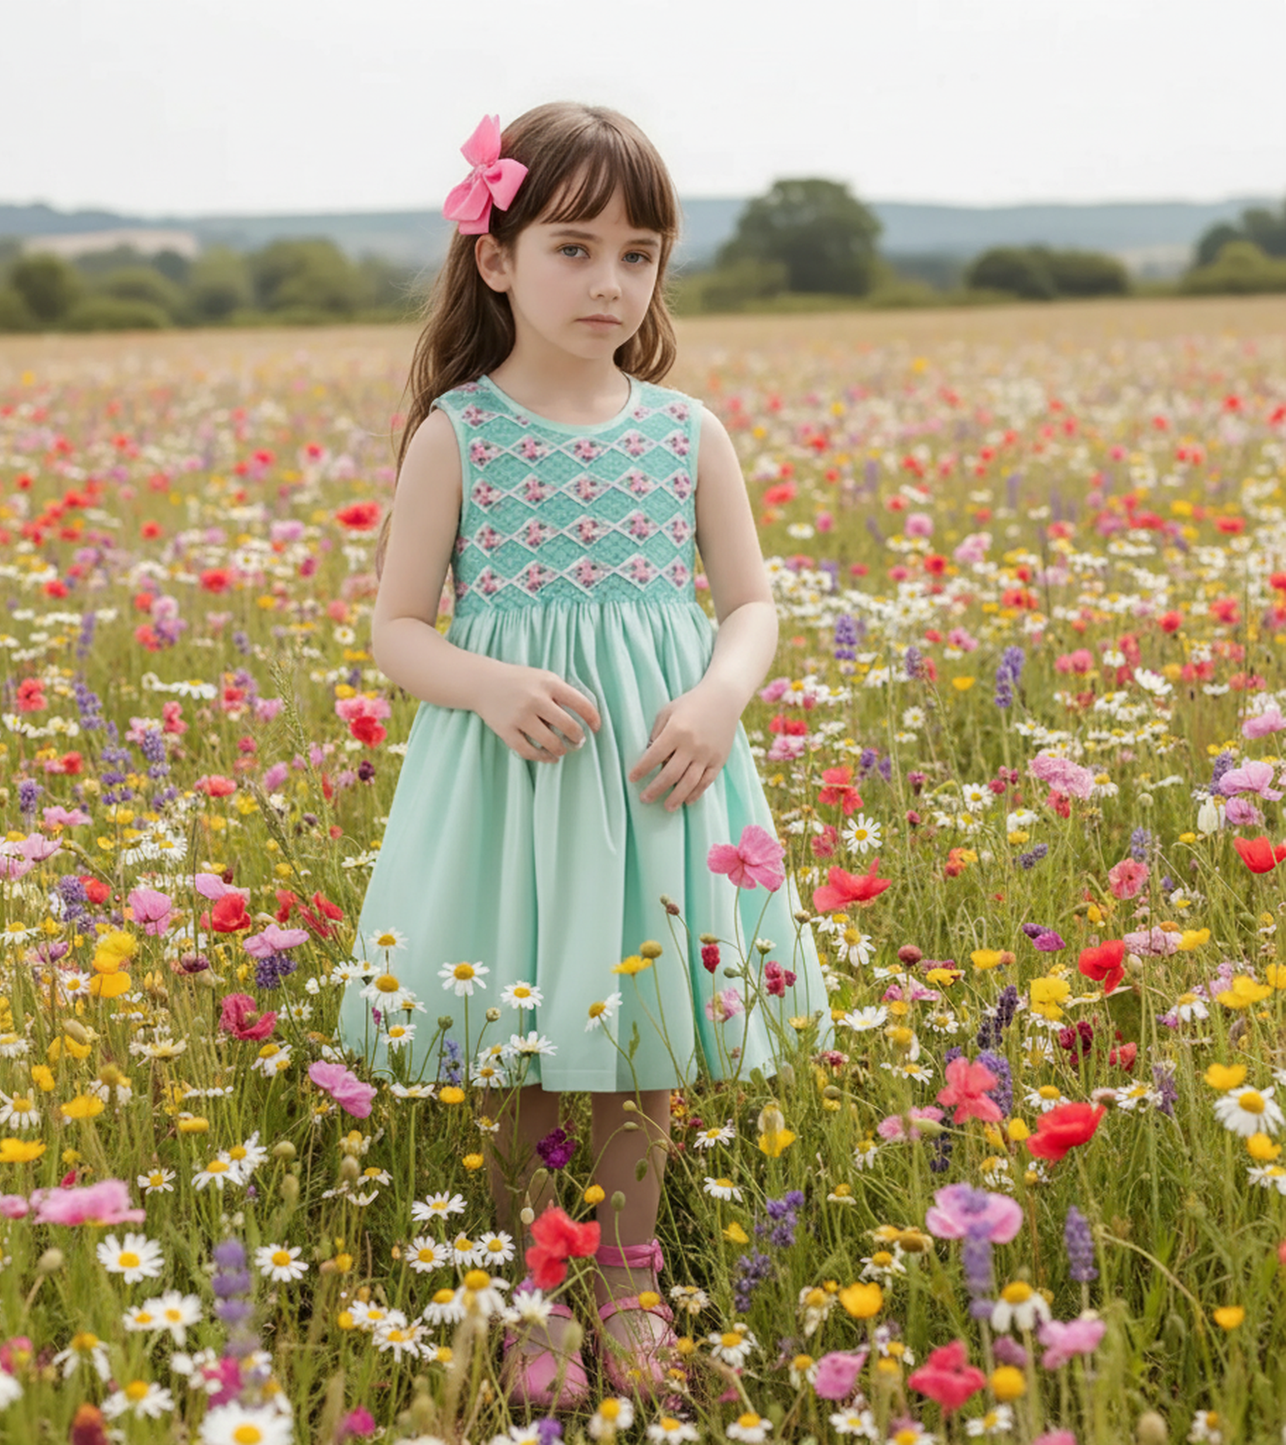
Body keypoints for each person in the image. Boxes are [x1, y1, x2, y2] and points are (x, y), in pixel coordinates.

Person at [333, 101, 833, 1410]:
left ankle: (627, 1285)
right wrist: (489, 682)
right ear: (496, 259)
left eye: (638, 253)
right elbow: (397, 630)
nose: (610, 281)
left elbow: (751, 604)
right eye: (574, 248)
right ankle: (537, 1289)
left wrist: (720, 697)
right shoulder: (459, 434)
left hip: (659, 769)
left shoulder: (686, 432)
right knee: (527, 1033)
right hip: (521, 775)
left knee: (640, 1032)